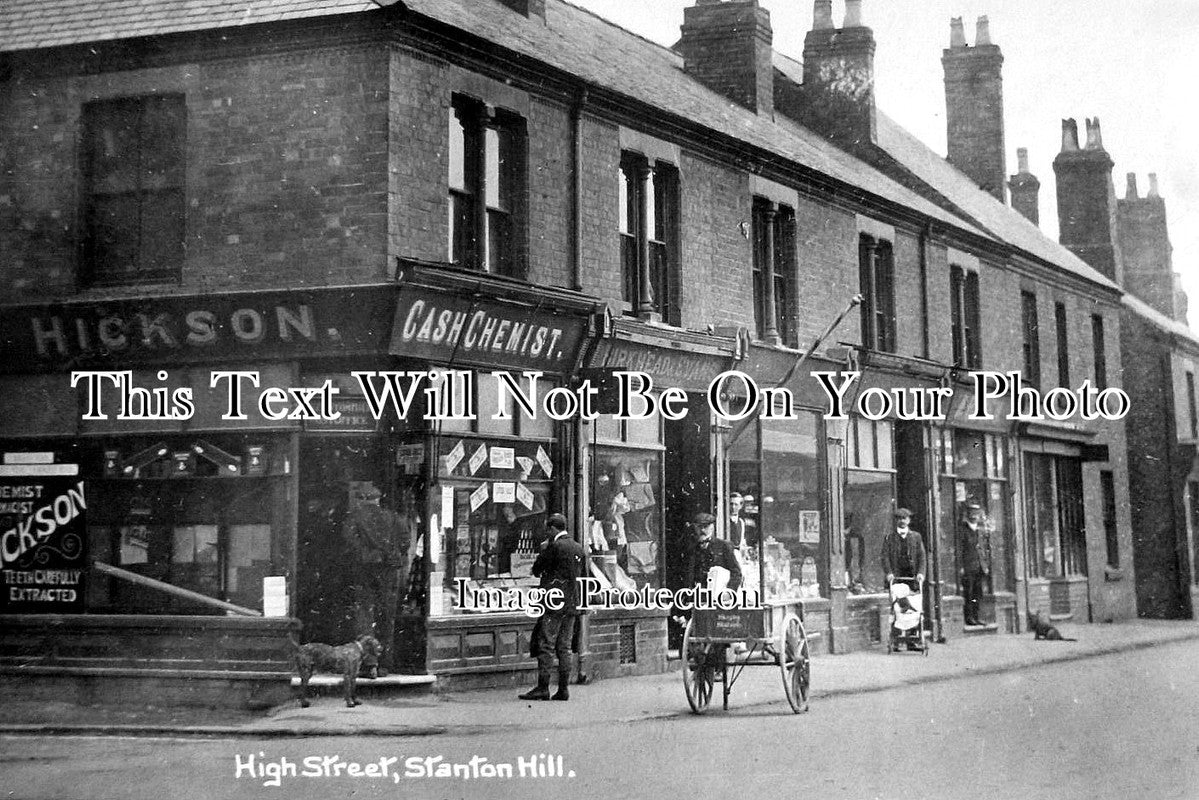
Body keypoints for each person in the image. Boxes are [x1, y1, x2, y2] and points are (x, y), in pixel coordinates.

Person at [342, 482, 409, 674]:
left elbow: (350, 543)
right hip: (389, 571)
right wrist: (392, 553)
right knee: (387, 616)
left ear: (362, 499)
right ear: (378, 499)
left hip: (364, 570)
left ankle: (369, 663)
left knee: (365, 614)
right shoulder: (395, 518)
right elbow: (405, 541)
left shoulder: (353, 518)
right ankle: (386, 663)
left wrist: (369, 554)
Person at [520, 513, 586, 702]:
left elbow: (537, 569)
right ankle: (563, 689)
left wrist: (543, 552)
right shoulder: (578, 547)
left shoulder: (554, 546)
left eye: (548, 529)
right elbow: (584, 576)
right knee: (564, 647)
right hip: (572, 604)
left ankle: (543, 687)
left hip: (553, 603)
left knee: (546, 644)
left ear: (553, 529)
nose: (547, 532)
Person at [881, 507, 926, 650]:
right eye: (899, 518)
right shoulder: (890, 538)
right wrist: (888, 573)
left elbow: (922, 557)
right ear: (896, 521)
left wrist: (920, 573)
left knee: (913, 606)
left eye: (904, 518)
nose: (902, 521)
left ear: (909, 520)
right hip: (897, 577)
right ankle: (896, 641)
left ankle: (912, 641)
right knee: (897, 607)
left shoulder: (916, 537)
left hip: (911, 578)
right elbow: (885, 557)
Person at [958, 501, 990, 626]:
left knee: (978, 592)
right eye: (972, 513)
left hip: (979, 566)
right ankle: (969, 617)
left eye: (977, 513)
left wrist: (985, 565)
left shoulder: (980, 531)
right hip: (968, 566)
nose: (974, 516)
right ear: (968, 514)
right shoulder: (963, 530)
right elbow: (960, 549)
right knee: (969, 592)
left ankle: (977, 616)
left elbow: (984, 548)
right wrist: (961, 566)